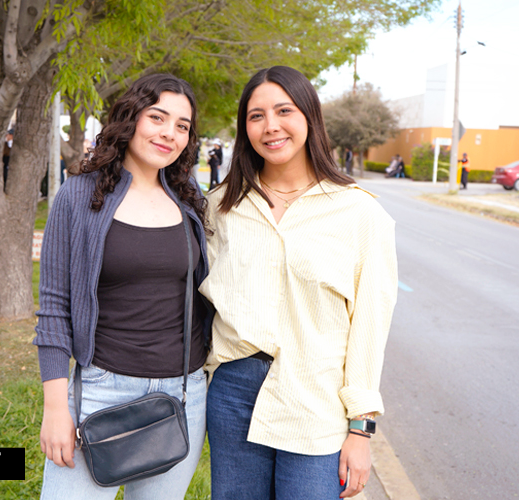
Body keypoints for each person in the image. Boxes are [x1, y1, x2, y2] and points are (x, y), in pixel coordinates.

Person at [199, 66, 398, 500]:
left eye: (283, 110)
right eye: (256, 116)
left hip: (316, 399)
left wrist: (360, 429)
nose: (271, 126)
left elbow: (369, 325)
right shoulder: (220, 207)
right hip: (233, 393)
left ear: (309, 115)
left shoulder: (360, 214)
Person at [33, 73, 211, 499]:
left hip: (183, 394)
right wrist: (56, 408)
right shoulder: (78, 196)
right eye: (158, 117)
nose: (169, 133)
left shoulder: (189, 200)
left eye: (182, 126)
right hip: (100, 391)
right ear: (131, 118)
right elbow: (54, 307)